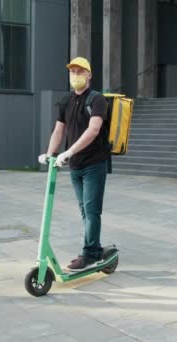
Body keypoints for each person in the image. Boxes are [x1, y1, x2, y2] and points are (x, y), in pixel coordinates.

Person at [38, 57, 109, 271]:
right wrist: (50, 153)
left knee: (91, 209)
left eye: (80, 71)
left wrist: (69, 151)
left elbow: (93, 130)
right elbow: (59, 130)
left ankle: (89, 254)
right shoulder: (66, 100)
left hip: (94, 163)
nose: (75, 75)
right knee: (85, 211)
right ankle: (94, 247)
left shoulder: (97, 100)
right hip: (75, 166)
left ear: (89, 75)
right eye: (72, 71)